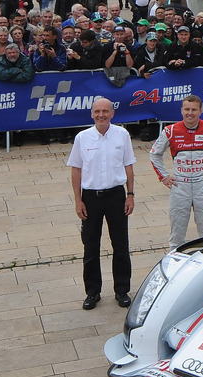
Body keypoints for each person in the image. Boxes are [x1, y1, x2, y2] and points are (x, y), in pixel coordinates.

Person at [67, 98, 136, 310]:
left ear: (112, 114)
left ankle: (122, 290)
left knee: (121, 245)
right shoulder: (82, 138)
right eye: (97, 111)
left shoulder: (122, 135)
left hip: (116, 196)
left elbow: (128, 166)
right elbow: (76, 169)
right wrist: (78, 200)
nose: (101, 115)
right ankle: (92, 292)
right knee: (91, 246)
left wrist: (130, 194)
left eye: (105, 111)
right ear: (91, 114)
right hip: (91, 197)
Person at [149, 95, 203, 250]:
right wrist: (164, 177)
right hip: (180, 186)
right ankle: (175, 263)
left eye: (194, 110)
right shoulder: (170, 130)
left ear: (200, 111)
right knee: (177, 231)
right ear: (181, 110)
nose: (190, 113)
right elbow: (154, 154)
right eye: (187, 109)